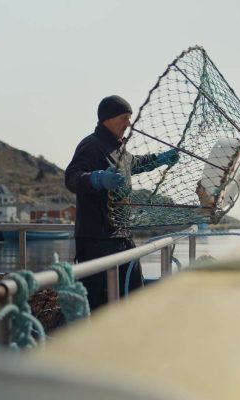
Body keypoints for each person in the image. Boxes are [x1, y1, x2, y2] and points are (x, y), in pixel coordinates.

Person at [65, 95, 179, 310]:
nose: (128, 124)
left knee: (134, 292)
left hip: (121, 237)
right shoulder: (91, 145)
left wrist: (160, 159)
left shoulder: (120, 150)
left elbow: (135, 163)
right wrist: (97, 179)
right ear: (107, 119)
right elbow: (71, 178)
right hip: (96, 240)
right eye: (124, 118)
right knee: (101, 304)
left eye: (129, 118)